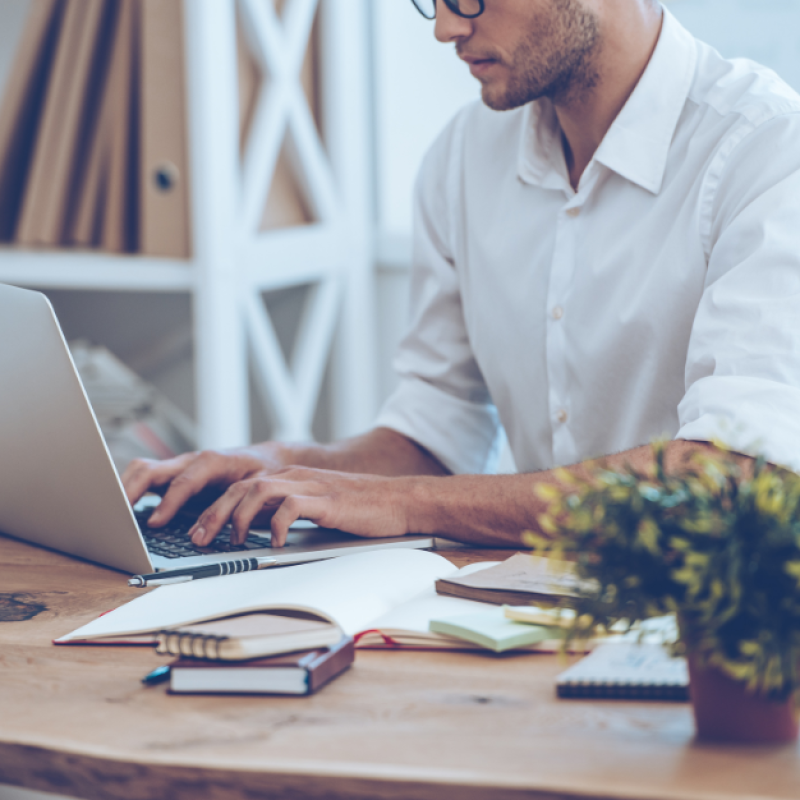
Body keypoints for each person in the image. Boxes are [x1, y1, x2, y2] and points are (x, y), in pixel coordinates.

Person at [124, 0, 800, 549]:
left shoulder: (767, 150)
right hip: (518, 607)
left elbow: (730, 475)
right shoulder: (463, 155)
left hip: (708, 635)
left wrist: (407, 503)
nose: (446, 28)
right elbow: (437, 433)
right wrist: (286, 466)